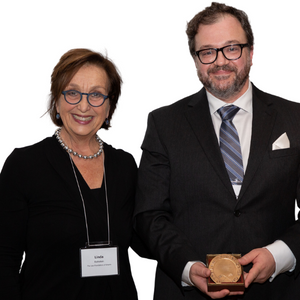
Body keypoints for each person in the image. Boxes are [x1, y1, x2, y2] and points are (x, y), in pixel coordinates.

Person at [134, 2, 300, 300]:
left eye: (232, 48)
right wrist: (187, 266)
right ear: (196, 60)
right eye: (207, 51)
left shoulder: (295, 119)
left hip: (278, 291)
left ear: (250, 52)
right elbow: (149, 214)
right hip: (187, 293)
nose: (220, 61)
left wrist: (279, 255)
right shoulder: (163, 123)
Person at [0, 48, 146, 299]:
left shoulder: (125, 165)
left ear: (109, 106)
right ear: (56, 100)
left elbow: (144, 238)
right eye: (73, 93)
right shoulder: (24, 165)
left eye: (97, 95)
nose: (83, 105)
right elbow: (4, 258)